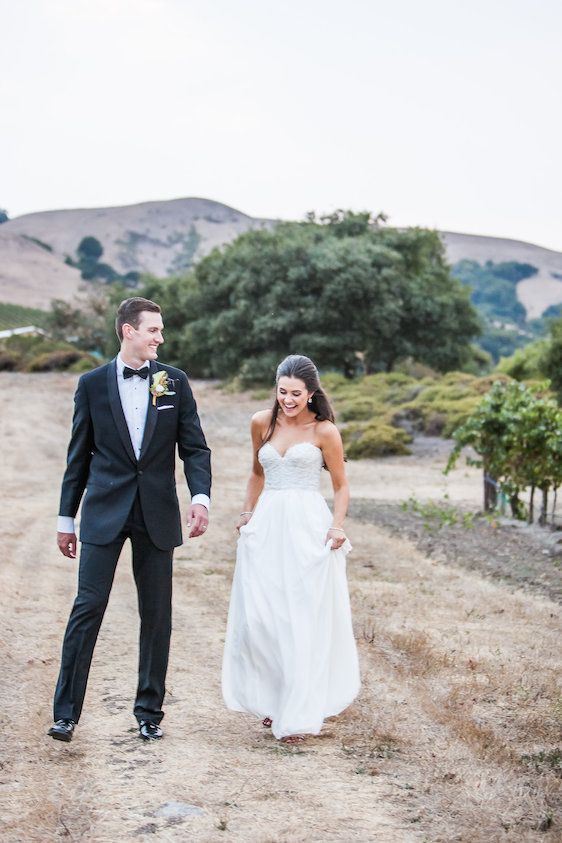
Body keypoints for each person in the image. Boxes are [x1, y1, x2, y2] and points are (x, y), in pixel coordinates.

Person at [48, 297, 211, 743]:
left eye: (160, 330)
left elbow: (194, 448)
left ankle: (149, 713)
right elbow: (77, 456)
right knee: (87, 607)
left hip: (156, 513)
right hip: (103, 512)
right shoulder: (92, 384)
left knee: (156, 615)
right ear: (128, 331)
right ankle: (65, 715)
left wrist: (200, 497)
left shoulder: (174, 382)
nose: (161, 337)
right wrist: (67, 519)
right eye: (154, 329)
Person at [222, 354, 360, 743]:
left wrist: (337, 526)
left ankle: (297, 711)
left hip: (307, 527)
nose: (288, 399)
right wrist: (248, 513)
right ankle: (272, 697)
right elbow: (256, 472)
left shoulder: (324, 431)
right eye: (282, 392)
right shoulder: (261, 423)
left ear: (312, 393)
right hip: (267, 525)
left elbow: (341, 485)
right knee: (262, 617)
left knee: (300, 617)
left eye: (296, 394)